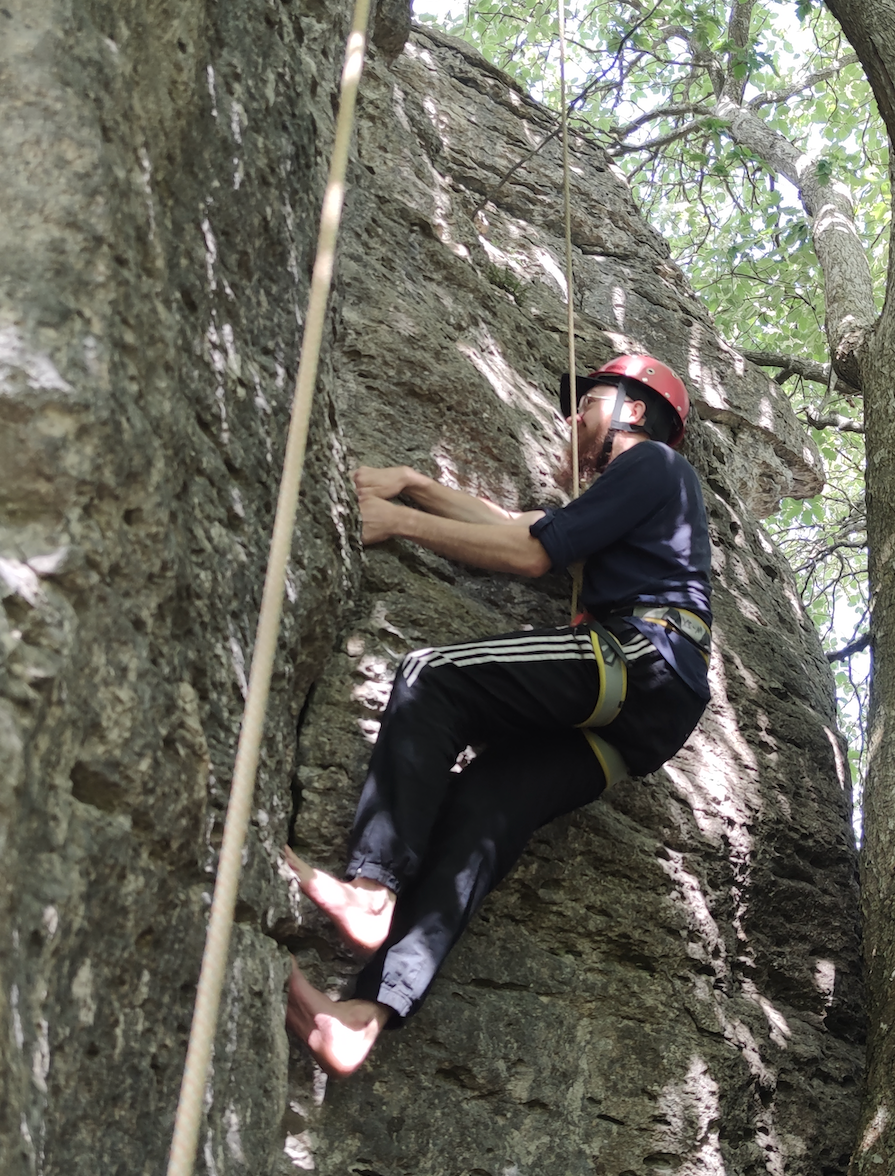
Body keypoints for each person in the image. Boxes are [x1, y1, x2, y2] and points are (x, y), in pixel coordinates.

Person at [284, 354, 713, 1076]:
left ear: (633, 412)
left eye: (588, 403)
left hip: (641, 652)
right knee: (485, 807)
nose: (571, 419)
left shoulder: (653, 468)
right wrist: (414, 487)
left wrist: (394, 522)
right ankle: (366, 1014)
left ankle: (371, 888)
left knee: (434, 678)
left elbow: (527, 553)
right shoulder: (635, 496)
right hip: (651, 713)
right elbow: (514, 525)